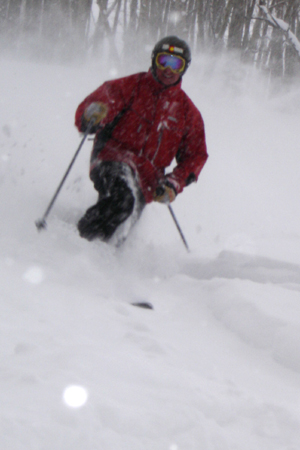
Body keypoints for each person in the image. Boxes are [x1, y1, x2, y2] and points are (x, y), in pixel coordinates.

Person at [75, 35, 208, 245]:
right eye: (164, 61)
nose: (169, 69)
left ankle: (97, 259)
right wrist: (92, 116)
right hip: (111, 158)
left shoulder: (187, 112)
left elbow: (195, 155)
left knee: (121, 227)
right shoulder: (130, 87)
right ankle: (75, 243)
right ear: (154, 60)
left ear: (184, 68)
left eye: (176, 64)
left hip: (148, 181)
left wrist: (174, 183)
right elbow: (98, 104)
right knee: (123, 201)